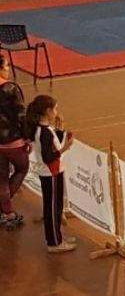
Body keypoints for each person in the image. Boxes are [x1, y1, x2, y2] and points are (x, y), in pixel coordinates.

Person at [27, 95, 76, 253]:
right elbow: (48, 156)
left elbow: (53, 146)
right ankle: (54, 243)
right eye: (54, 109)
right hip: (51, 173)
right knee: (53, 209)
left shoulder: (45, 130)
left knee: (56, 207)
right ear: (48, 111)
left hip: (53, 172)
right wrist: (65, 147)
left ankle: (57, 237)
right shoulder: (44, 132)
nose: (56, 112)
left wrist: (60, 130)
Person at [0, 57, 28, 230]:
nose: (8, 68)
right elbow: (20, 115)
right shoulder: (10, 89)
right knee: (22, 168)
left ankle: (6, 211)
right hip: (13, 140)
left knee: (1, 178)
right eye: (6, 65)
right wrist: (28, 136)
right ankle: (6, 209)